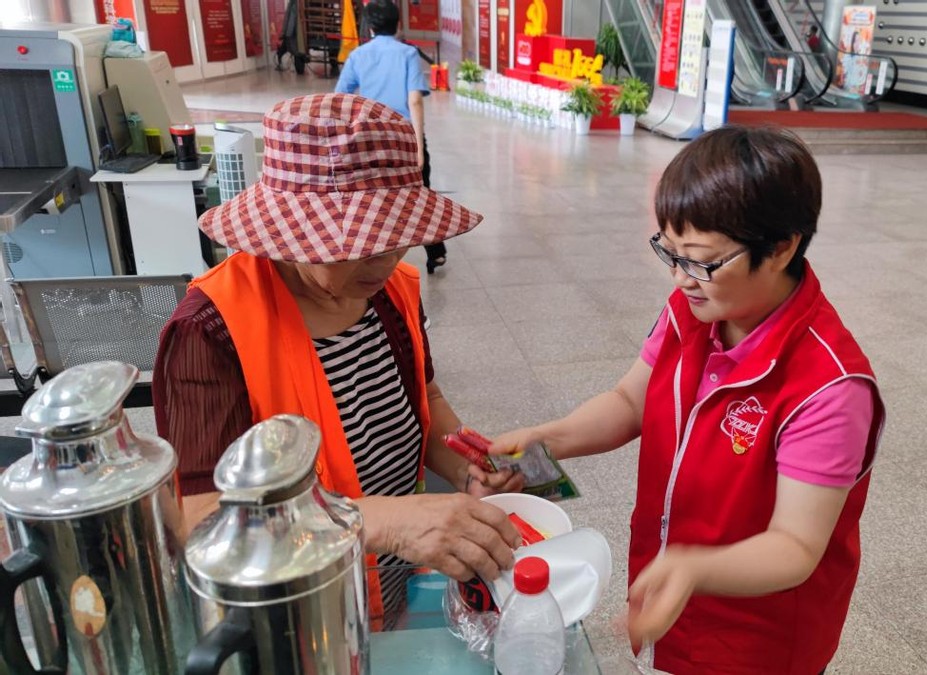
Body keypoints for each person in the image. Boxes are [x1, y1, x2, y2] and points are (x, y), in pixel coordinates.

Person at [490, 127, 885, 673]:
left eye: (700, 260)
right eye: (669, 253)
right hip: (675, 592)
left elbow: (796, 546)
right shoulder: (692, 311)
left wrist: (694, 568)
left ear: (782, 247)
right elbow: (631, 401)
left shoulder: (828, 386)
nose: (680, 278)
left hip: (760, 637)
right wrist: (545, 441)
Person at [154, 93, 523, 626]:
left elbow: (427, 399)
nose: (386, 260)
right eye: (363, 244)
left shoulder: (393, 290)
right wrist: (381, 522)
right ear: (289, 230)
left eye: (398, 239)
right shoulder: (209, 333)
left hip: (389, 586)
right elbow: (202, 522)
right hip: (297, 617)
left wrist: (467, 468)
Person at [335, 0, 448, 274]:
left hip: (370, 139)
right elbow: (415, 101)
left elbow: (340, 98)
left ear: (370, 27)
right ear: (398, 24)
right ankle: (435, 252)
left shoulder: (358, 56)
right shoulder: (408, 54)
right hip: (403, 138)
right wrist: (418, 147)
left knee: (374, 198)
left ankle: (374, 259)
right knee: (419, 195)